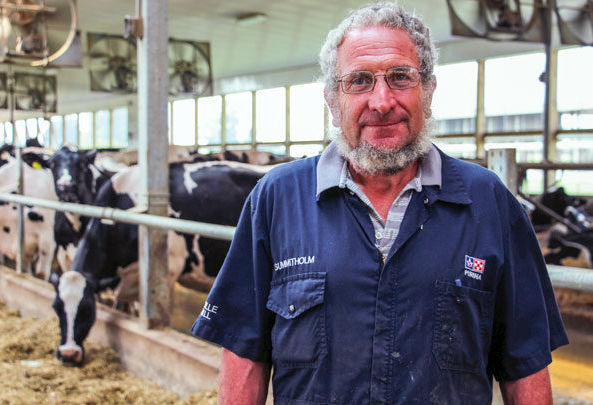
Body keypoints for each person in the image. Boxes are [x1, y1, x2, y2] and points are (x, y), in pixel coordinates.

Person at [191, 2, 568, 404]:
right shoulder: (277, 197)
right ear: (333, 101)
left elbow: (524, 364)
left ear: (428, 90)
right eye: (359, 81)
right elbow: (244, 353)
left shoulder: (489, 201)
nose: (382, 100)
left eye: (401, 77)